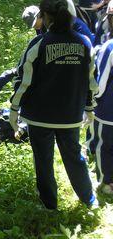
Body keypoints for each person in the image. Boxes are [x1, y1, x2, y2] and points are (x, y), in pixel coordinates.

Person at [9, 0, 99, 209]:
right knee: (74, 157)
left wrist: (14, 109)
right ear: (71, 15)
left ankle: (49, 205)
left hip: (39, 118)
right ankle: (89, 201)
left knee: (43, 162)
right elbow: (91, 81)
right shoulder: (85, 43)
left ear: (45, 16)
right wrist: (88, 107)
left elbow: (23, 81)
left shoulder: (39, 44)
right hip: (70, 116)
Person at [89, 13, 113, 195]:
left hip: (107, 110)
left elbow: (101, 83)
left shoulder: (109, 47)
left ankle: (106, 183)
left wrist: (92, 100)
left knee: (103, 146)